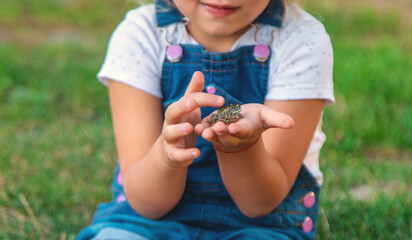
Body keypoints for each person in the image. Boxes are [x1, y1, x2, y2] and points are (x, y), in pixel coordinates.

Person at [77, 0, 334, 239]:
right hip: (148, 224)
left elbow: (260, 204)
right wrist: (168, 155)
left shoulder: (302, 40)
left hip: (261, 227)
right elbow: (146, 204)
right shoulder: (139, 36)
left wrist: (241, 147)